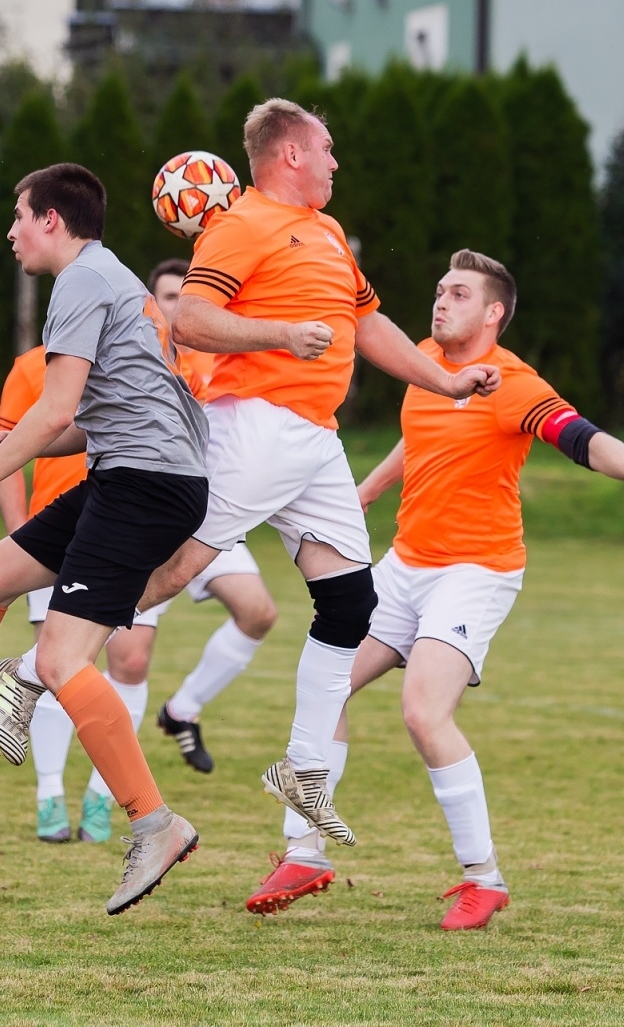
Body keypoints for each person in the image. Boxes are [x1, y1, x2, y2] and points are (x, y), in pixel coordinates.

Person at [249, 250, 624, 925]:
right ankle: (305, 851)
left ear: (493, 313)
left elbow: (583, 438)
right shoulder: (426, 364)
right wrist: (369, 489)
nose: (441, 301)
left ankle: (482, 877)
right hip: (405, 565)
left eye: (458, 293)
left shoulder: (511, 384)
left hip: (476, 571)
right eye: (439, 290)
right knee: (326, 686)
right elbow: (421, 436)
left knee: (423, 710)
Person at [133, 98, 500, 858]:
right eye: (328, 148)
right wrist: (280, 333)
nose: (337, 162)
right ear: (292, 155)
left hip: (316, 440)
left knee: (350, 602)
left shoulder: (328, 233)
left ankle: (304, 772)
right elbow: (191, 320)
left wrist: (446, 381)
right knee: (174, 572)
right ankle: (54, 649)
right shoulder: (241, 223)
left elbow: (367, 326)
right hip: (258, 425)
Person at [0, 164, 209, 915]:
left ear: (52, 219)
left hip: (144, 487)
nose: (10, 231)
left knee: (58, 659)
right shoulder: (112, 279)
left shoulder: (83, 281)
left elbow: (54, 412)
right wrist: (18, 442)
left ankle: (155, 823)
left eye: (18, 215)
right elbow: (90, 418)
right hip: (137, 475)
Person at [0, 343, 176, 844]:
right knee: (53, 664)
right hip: (59, 532)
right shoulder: (32, 365)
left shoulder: (150, 357)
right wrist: (19, 535)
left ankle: (102, 793)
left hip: (134, 529)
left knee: (130, 663)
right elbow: (6, 447)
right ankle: (49, 793)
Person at [142, 257, 280, 775]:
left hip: (208, 515)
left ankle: (182, 710)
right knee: (126, 655)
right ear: (152, 305)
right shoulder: (141, 359)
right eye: (168, 297)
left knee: (258, 612)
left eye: (187, 297)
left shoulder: (219, 366)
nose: (178, 307)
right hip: (153, 521)